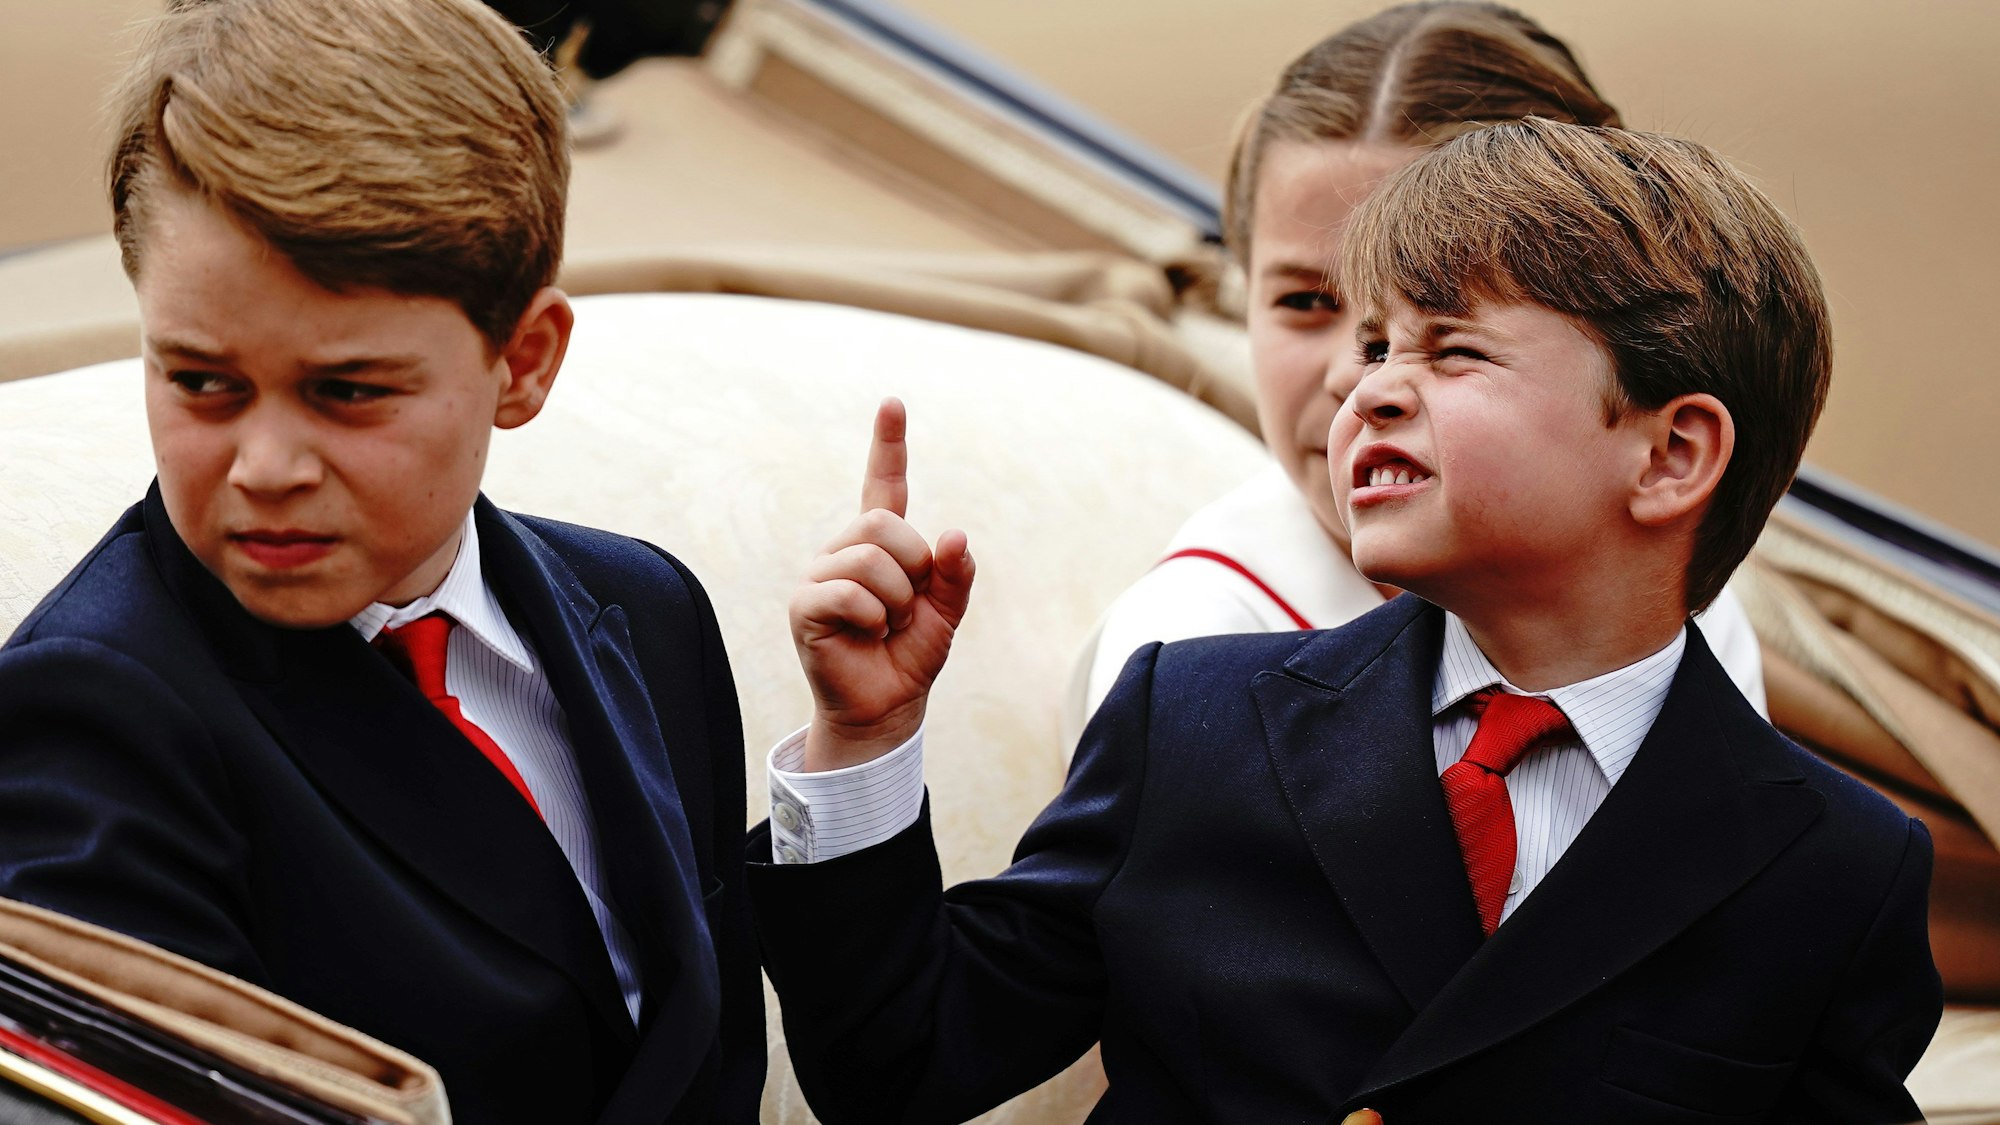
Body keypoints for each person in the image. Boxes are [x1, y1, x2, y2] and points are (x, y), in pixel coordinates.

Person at [753, 120, 1941, 1122]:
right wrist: (863, 737)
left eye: (1453, 350)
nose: (1365, 386)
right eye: (1376, 344)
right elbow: (896, 1065)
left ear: (1671, 453)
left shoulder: (1833, 870)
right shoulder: (1194, 718)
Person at [0, 2, 760, 1122]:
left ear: (524, 362)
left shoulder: (647, 610)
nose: (264, 465)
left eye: (345, 391)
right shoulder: (94, 718)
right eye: (203, 381)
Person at [1079, 1, 1769, 723]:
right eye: (1307, 302)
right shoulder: (1193, 646)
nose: (1362, 376)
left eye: (1451, 329)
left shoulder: (1685, 615)